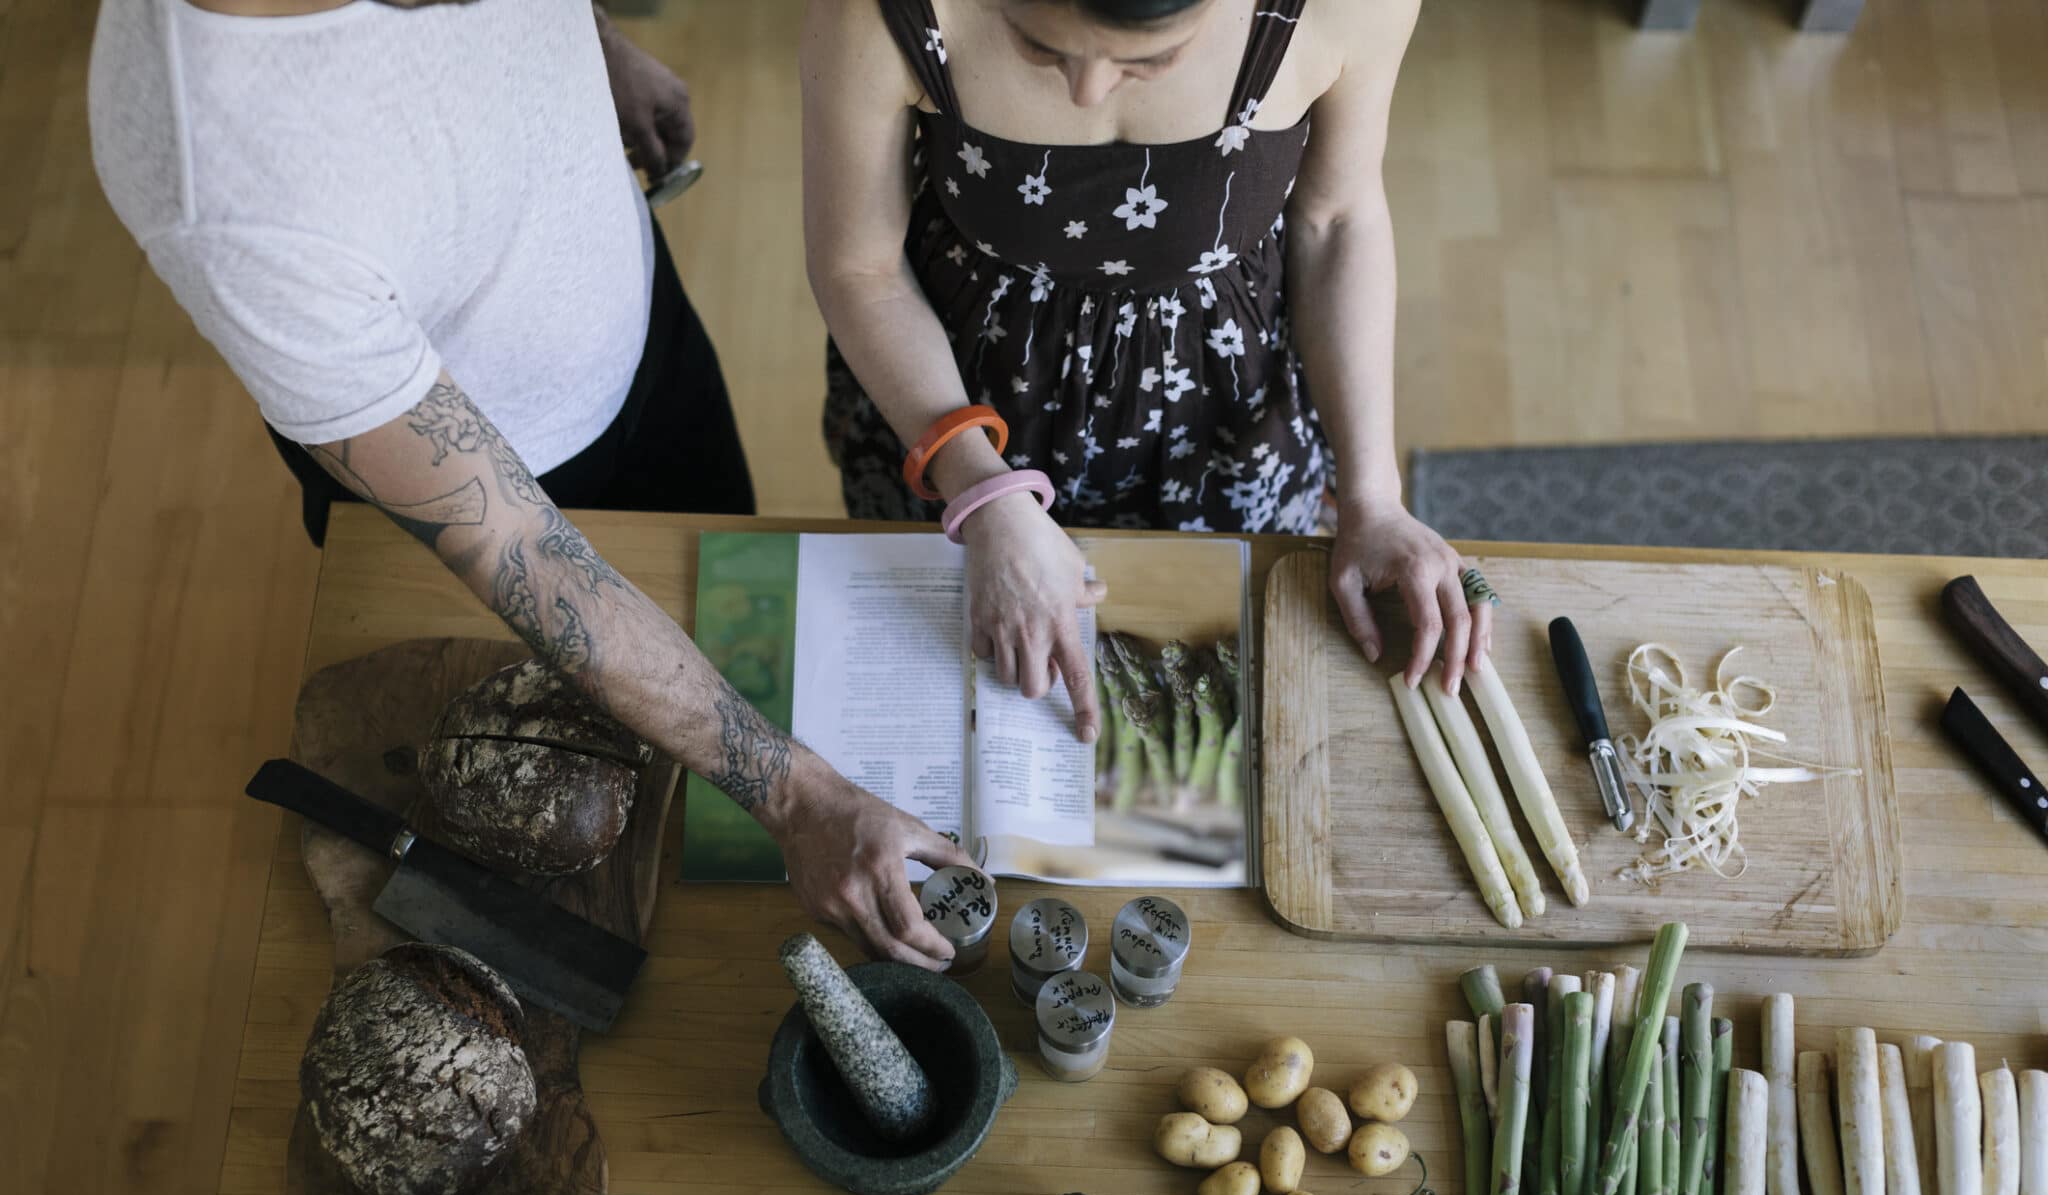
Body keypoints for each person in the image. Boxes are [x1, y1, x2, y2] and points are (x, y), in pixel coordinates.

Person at [89, 0, 972, 969]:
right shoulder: (216, 179)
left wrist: (587, 41)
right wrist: (799, 797)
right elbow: (516, 546)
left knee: (723, 662)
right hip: (514, 502)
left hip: (643, 331)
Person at [804, 0, 1497, 730]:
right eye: (1037, 45)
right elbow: (862, 271)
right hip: (964, 403)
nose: (1087, 89)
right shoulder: (876, 11)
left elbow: (1336, 220)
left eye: (1148, 60)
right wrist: (981, 492)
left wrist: (1374, 498)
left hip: (1223, 417)